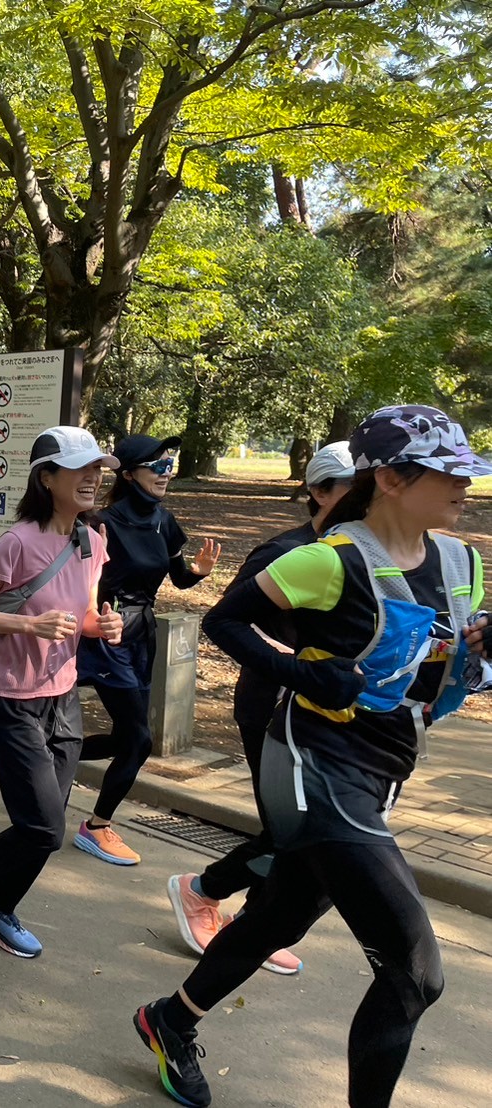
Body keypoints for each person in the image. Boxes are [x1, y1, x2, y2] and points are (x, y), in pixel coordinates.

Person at [134, 405, 489, 1108]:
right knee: (414, 975)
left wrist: (481, 659)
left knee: (280, 915)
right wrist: (301, 672)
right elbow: (223, 621)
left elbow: (444, 667)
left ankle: (168, 1020)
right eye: (449, 473)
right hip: (313, 765)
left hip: (385, 765)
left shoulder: (461, 560)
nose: (465, 488)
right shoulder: (327, 560)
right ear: (389, 477)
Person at [167, 442, 356, 978]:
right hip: (272, 709)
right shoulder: (286, 552)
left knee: (301, 834)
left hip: (329, 716)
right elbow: (231, 617)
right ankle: (203, 892)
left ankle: (250, 923)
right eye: (351, 485)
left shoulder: (363, 555)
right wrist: (289, 661)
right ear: (318, 492)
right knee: (287, 832)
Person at [0, 427, 123, 959]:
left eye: (97, 470)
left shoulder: (93, 539)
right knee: (42, 827)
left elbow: (84, 613)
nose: (93, 479)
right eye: (81, 469)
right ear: (47, 477)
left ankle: (0, 909)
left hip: (63, 696)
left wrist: (102, 627)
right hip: (11, 697)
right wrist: (27, 625)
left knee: (49, 822)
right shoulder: (18, 541)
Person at [72, 433, 221, 865]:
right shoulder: (100, 522)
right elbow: (82, 583)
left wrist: (198, 572)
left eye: (170, 465)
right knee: (139, 740)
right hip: (108, 633)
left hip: (143, 636)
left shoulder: (164, 521)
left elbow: (177, 578)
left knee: (126, 737)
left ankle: (52, 754)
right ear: (130, 472)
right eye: (157, 466)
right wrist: (94, 620)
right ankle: (97, 826)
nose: (166, 473)